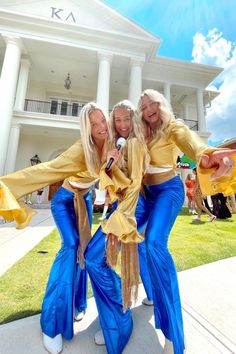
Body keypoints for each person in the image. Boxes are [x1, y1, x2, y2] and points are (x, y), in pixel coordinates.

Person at [0, 102, 110, 354]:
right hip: (64, 200)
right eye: (94, 124)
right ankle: (51, 325)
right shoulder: (80, 149)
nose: (101, 126)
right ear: (87, 128)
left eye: (102, 120)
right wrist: (5, 184)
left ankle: (77, 303)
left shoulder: (114, 141)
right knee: (70, 247)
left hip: (85, 200)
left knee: (84, 250)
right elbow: (47, 169)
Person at [133, 89, 236, 354]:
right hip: (144, 193)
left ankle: (173, 334)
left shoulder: (172, 126)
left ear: (162, 105)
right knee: (136, 243)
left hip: (168, 190)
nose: (148, 108)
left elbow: (191, 142)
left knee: (154, 243)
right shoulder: (138, 131)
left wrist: (207, 154)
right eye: (143, 106)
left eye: (153, 102)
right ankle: (153, 295)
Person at [85, 99, 153, 353]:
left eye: (127, 119)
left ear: (134, 120)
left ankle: (119, 317)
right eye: (118, 120)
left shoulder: (135, 143)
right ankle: (117, 309)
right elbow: (110, 186)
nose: (123, 125)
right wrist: (110, 165)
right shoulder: (118, 147)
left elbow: (134, 185)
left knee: (93, 258)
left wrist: (121, 217)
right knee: (97, 259)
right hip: (121, 207)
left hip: (133, 208)